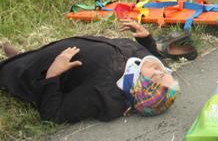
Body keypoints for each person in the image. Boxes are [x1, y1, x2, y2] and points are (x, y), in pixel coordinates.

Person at [0, 20, 179, 123]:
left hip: (37, 73)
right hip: (58, 49)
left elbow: (53, 114)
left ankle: (14, 60)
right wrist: (147, 39)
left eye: (158, 75)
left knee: (14, 69)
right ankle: (21, 55)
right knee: (31, 56)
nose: (161, 69)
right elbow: (157, 63)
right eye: (167, 73)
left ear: (138, 88)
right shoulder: (144, 63)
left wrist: (53, 74)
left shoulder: (103, 94)